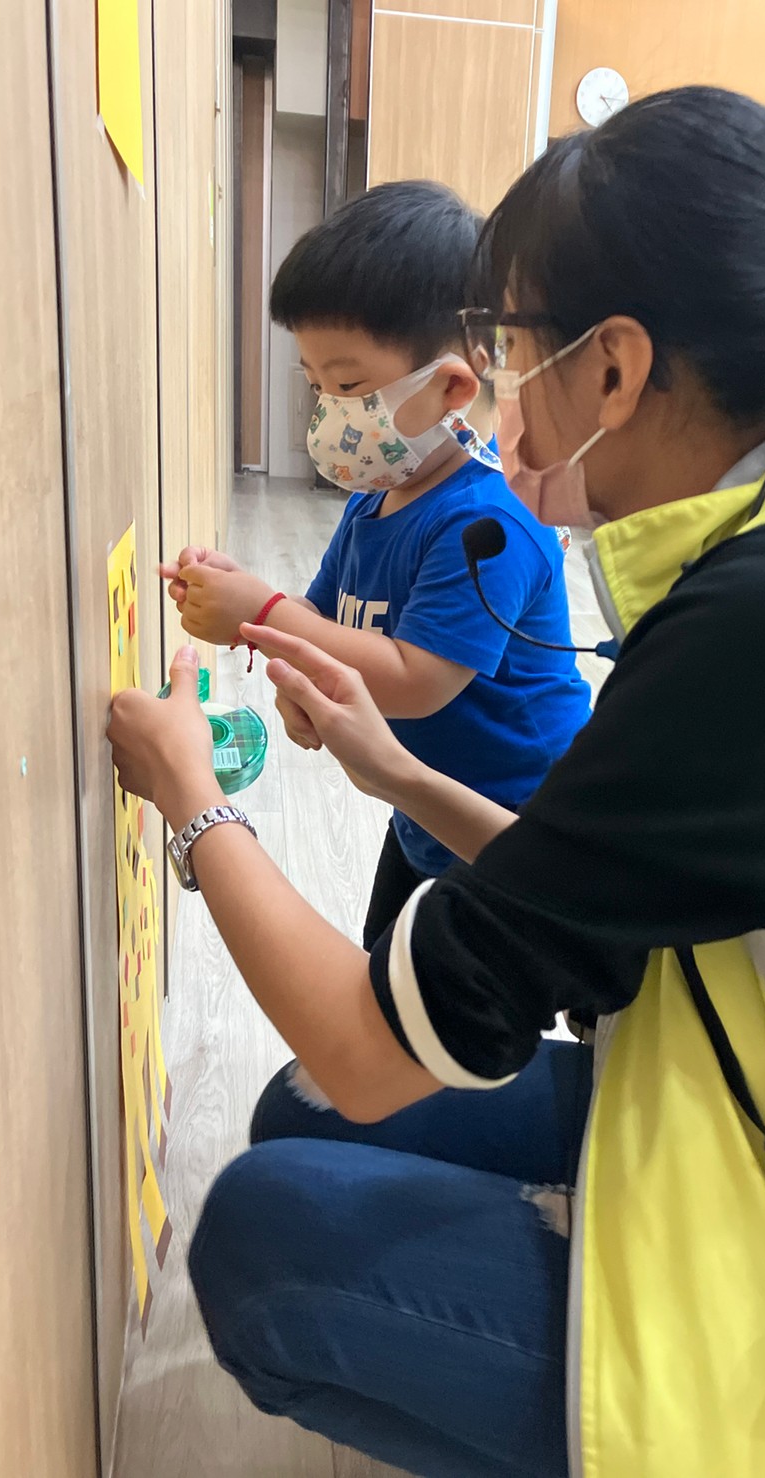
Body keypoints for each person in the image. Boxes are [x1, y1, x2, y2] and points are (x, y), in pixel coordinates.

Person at [108, 86, 765, 1477]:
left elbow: (368, 1039)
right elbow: (594, 892)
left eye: (512, 341)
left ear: (614, 367)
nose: (497, 384)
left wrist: (196, 804)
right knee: (304, 1109)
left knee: (266, 1230)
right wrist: (394, 766)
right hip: (739, 1101)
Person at [160, 180, 589, 946]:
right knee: (383, 971)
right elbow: (321, 622)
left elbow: (416, 680)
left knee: (443, 1023)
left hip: (511, 829)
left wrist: (259, 613)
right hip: (422, 811)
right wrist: (276, 640)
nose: (327, 410)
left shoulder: (492, 522)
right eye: (315, 384)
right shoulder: (374, 499)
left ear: (454, 384)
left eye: (350, 386)